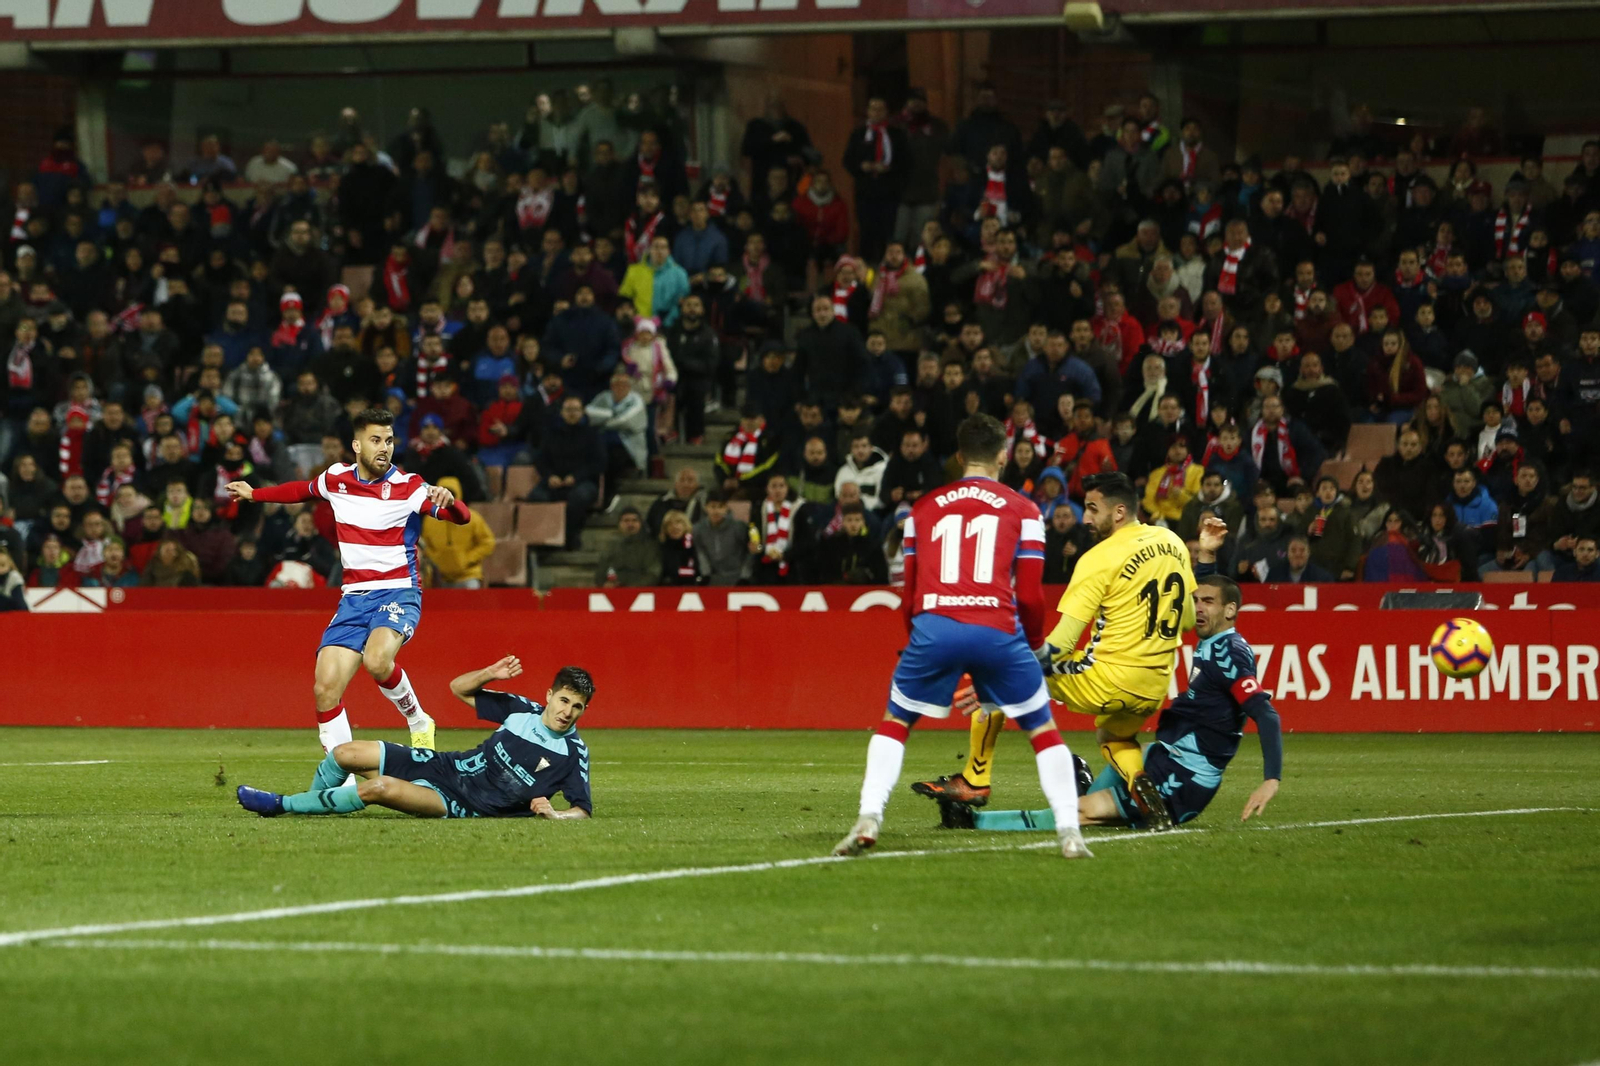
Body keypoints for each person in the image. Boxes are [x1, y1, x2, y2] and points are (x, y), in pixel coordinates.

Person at [833, 413, 1092, 861]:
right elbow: (1030, 596)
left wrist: (922, 636)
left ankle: (869, 816)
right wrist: (1031, 645)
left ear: (958, 456)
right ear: (1002, 456)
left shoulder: (923, 509)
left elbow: (909, 594)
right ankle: (1070, 832)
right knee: (1041, 729)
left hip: (935, 626)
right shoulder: (1025, 510)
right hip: (997, 629)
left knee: (896, 722)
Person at [912, 471, 1198, 833]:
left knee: (1001, 679)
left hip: (1108, 678)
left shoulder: (1100, 558)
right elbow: (1187, 619)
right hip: (1155, 687)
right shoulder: (1172, 542)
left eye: (1093, 509)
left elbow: (1062, 641)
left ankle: (975, 780)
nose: (1086, 518)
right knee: (1114, 737)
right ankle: (1142, 785)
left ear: (1120, 511)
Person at [939, 553, 1282, 833]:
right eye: (1196, 601)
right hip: (1158, 755)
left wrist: (1271, 780)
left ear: (1231, 610)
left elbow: (1265, 713)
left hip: (1185, 779)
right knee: (1107, 745)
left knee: (1078, 812)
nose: (1199, 608)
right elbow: (1204, 598)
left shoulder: (1229, 654)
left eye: (1208, 602)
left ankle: (973, 821)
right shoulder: (1212, 642)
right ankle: (1085, 782)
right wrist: (1205, 557)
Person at [226, 409, 471, 755]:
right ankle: (342, 780)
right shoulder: (337, 478)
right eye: (375, 440)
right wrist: (255, 494)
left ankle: (418, 720)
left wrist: (452, 502)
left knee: (376, 660)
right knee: (325, 688)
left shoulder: (409, 486)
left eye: (388, 440)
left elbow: (460, 518)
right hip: (354, 598)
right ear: (357, 445)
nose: (384, 448)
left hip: (398, 591)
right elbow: (300, 490)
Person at [238, 657, 592, 821]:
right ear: (549, 695)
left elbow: (583, 809)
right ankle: (314, 805)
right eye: (564, 700)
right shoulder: (521, 710)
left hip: (462, 803)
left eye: (577, 707)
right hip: (444, 765)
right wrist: (488, 674)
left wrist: (557, 815)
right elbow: (458, 689)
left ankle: (282, 805)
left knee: (379, 789)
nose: (567, 712)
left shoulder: (572, 753)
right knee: (345, 753)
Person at [421, 475, 495, 588]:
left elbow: (488, 542)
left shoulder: (472, 518)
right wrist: (437, 560)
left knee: (472, 595)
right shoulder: (430, 520)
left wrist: (468, 559)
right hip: (439, 578)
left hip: (468, 575)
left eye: (451, 494)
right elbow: (425, 546)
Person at [595, 506, 660, 587]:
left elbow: (653, 574)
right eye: (626, 521)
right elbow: (600, 574)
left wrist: (630, 588)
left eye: (634, 520)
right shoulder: (611, 546)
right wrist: (604, 584)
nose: (630, 524)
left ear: (640, 523)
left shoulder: (650, 546)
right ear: (619, 524)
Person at [693, 490, 748, 586]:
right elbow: (700, 552)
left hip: (737, 578)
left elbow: (753, 550)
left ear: (726, 508)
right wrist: (705, 574)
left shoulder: (739, 527)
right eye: (713, 506)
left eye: (721, 507)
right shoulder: (698, 529)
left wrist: (745, 576)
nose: (717, 511)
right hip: (712, 579)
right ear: (706, 507)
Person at [1266, 534, 1336, 583]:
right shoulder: (1274, 576)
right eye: (1293, 550)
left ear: (1308, 553)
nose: (1297, 554)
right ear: (1287, 553)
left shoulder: (1323, 578)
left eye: (1302, 550)